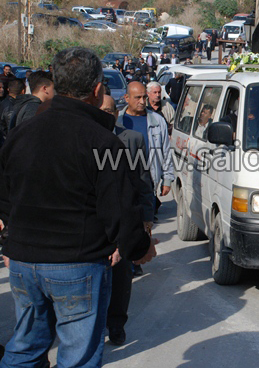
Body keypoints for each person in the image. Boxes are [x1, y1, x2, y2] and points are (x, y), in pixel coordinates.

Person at [0, 47, 155, 367]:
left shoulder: (21, 134)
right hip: (76, 264)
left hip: (24, 261)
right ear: (97, 90)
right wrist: (139, 246)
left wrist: (9, 239)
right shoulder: (103, 142)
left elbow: (5, 196)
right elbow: (120, 209)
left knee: (25, 348)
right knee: (78, 357)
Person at [100, 94, 155, 346]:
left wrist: (146, 219)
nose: (106, 115)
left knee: (122, 276)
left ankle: (116, 324)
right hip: (95, 221)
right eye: (101, 110)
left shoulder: (132, 139)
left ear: (117, 113)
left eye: (110, 111)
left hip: (124, 219)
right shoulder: (84, 137)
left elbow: (143, 180)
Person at [119, 81, 174, 218]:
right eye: (138, 97)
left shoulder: (157, 121)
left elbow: (166, 151)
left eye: (144, 97)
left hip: (148, 180)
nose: (142, 101)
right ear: (127, 98)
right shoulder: (118, 121)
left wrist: (167, 179)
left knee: (147, 221)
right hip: (123, 180)